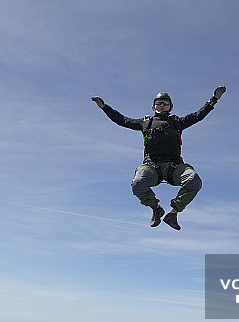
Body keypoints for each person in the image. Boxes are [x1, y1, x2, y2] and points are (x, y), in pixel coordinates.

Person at [91, 87, 226, 230]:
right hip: (152, 165)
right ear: (154, 106)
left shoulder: (177, 122)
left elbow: (198, 115)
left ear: (170, 106)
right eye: (159, 103)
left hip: (174, 166)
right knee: (138, 184)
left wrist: (214, 100)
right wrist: (104, 107)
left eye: (165, 103)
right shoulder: (145, 122)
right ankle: (156, 209)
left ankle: (173, 214)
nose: (162, 105)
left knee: (194, 181)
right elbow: (122, 120)